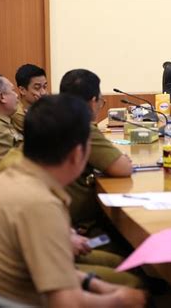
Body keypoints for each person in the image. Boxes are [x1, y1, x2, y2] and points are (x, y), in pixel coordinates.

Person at [0, 94, 145, 307]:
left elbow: (49, 268)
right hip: (22, 300)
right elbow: (66, 303)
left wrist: (95, 285)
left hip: (1, 294)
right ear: (78, 154)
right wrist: (120, 299)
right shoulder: (40, 203)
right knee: (137, 292)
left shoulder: (14, 172)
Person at [59, 69, 134, 248]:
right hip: (80, 229)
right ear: (93, 102)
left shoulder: (56, 120)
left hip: (63, 222)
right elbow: (123, 169)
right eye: (101, 99)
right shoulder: (81, 128)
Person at [12, 64, 48, 133]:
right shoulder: (18, 114)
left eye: (45, 87)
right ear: (22, 90)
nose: (43, 92)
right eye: (37, 88)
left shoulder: (39, 109)